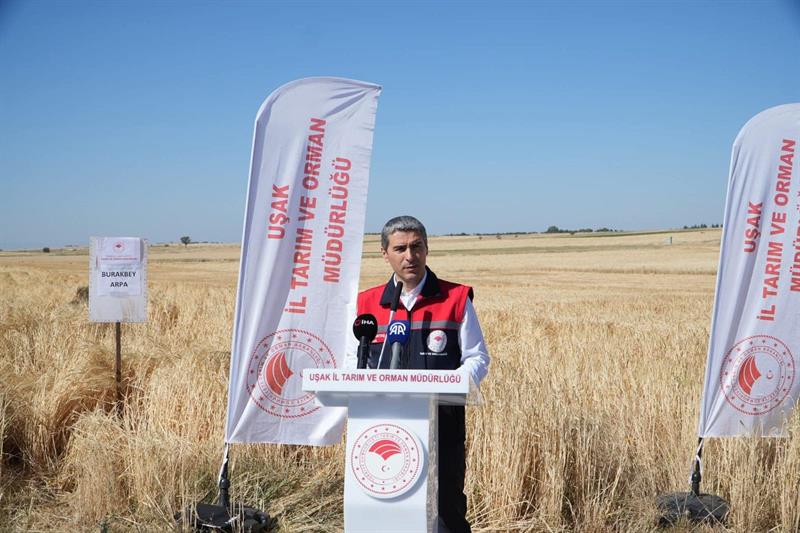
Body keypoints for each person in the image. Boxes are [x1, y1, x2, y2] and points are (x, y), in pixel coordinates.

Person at [346, 215, 490, 533]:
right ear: (385, 253)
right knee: (388, 510)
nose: (409, 256)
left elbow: (477, 357)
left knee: (447, 509)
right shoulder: (366, 304)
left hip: (443, 421)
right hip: (383, 424)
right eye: (400, 249)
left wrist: (453, 384)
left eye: (416, 247)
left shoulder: (455, 298)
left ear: (427, 249)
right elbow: (351, 361)